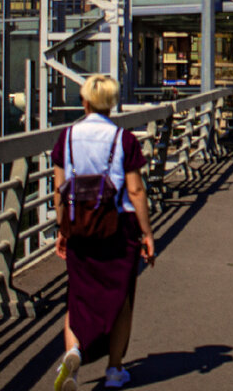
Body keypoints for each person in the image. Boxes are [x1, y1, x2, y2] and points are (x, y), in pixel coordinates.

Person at [51, 75, 155, 391]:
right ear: (112, 103)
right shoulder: (124, 139)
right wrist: (147, 233)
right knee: (121, 300)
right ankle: (114, 370)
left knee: (77, 296)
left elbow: (59, 190)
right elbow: (135, 190)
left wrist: (62, 228)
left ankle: (72, 353)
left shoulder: (66, 137)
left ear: (84, 102)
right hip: (118, 228)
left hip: (79, 226)